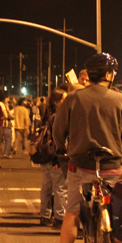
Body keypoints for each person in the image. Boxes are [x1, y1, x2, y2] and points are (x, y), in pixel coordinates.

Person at [52, 53, 122, 243]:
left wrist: (61, 147)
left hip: (80, 165)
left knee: (72, 212)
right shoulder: (119, 99)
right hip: (111, 166)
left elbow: (59, 131)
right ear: (108, 75)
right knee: (118, 215)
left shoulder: (73, 99)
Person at [37, 88, 67, 226]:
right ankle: (60, 217)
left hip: (45, 155)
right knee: (60, 188)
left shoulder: (47, 115)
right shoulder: (59, 117)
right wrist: (59, 157)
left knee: (46, 187)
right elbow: (58, 139)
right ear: (57, 102)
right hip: (55, 156)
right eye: (64, 99)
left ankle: (45, 215)